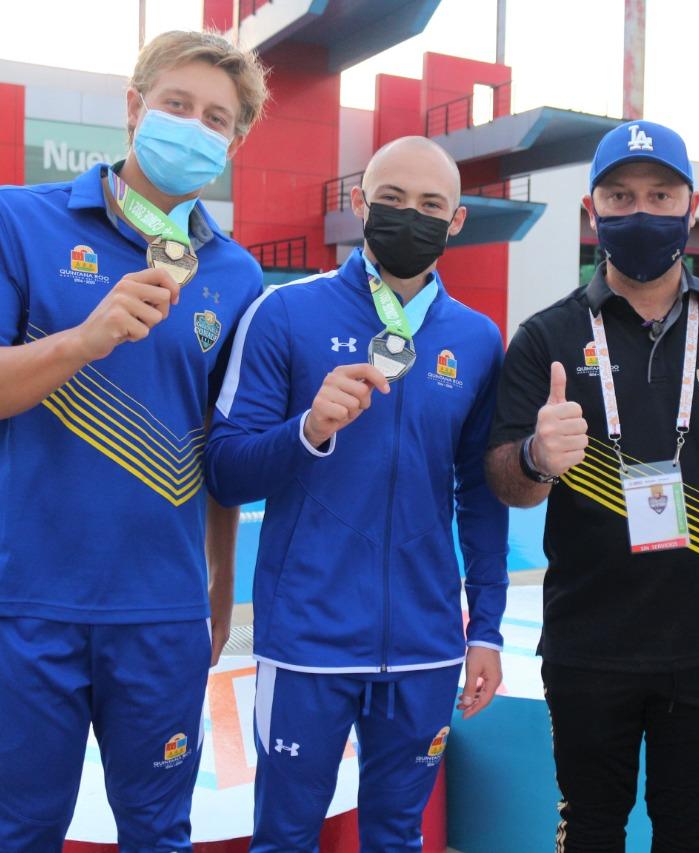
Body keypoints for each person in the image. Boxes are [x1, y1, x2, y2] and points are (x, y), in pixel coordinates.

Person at [0, 30, 269, 850]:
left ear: (233, 143)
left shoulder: (236, 275)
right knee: (21, 834)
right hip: (27, 605)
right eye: (177, 105)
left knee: (158, 831)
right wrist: (82, 339)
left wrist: (218, 590)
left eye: (215, 118)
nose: (193, 126)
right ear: (133, 107)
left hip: (161, 613)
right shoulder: (13, 220)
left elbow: (221, 449)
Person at [485, 120, 699, 852]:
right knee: (592, 830)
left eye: (660, 193)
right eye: (620, 195)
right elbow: (505, 482)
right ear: (592, 210)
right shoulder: (544, 337)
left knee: (690, 834)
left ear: (691, 205)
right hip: (588, 644)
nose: (641, 210)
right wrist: (539, 458)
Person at [204, 135, 508, 852]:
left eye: (431, 204)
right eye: (393, 200)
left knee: (399, 837)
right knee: (283, 835)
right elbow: (223, 469)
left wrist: (485, 624)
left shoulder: (476, 339)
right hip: (307, 636)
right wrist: (306, 429)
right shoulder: (285, 315)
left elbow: (481, 494)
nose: (412, 216)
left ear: (456, 220)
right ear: (357, 204)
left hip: (426, 643)